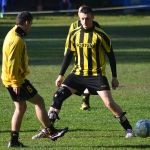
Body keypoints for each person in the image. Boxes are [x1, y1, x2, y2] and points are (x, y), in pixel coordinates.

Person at [35, 5, 134, 139]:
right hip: (77, 74)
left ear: (92, 17)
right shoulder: (74, 34)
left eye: (87, 19)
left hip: (96, 75)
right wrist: (61, 75)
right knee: (58, 96)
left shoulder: (101, 35)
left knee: (109, 103)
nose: (84, 22)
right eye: (82, 19)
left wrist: (114, 77)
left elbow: (111, 56)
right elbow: (69, 55)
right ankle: (49, 130)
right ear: (79, 18)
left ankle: (128, 128)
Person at [1, 11, 68, 148]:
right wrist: (15, 83)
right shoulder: (16, 40)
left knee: (21, 107)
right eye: (30, 24)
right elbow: (12, 63)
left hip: (11, 79)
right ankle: (52, 132)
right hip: (16, 80)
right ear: (26, 22)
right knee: (38, 101)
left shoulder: (13, 32)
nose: (30, 27)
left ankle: (14, 141)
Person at [65, 5, 101, 110]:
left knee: (88, 78)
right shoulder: (73, 26)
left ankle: (85, 99)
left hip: (92, 59)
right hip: (78, 57)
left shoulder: (95, 25)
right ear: (78, 14)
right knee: (79, 79)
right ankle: (83, 98)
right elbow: (69, 42)